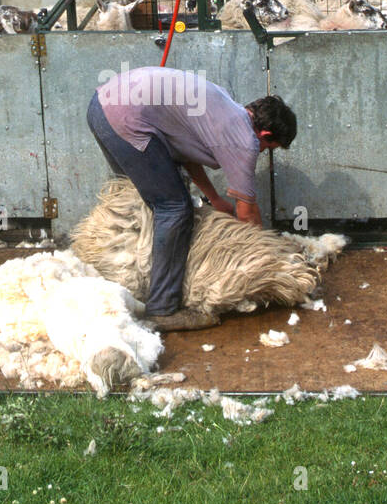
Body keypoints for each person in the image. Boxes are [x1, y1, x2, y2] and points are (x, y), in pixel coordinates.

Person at [87, 66, 297, 331]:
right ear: (265, 135)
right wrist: (259, 256)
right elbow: (247, 213)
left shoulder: (227, 109)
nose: (262, 151)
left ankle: (132, 283)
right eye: (269, 148)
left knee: (144, 203)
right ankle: (162, 310)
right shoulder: (244, 140)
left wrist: (214, 198)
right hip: (127, 118)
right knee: (174, 209)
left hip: (101, 106)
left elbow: (186, 155)